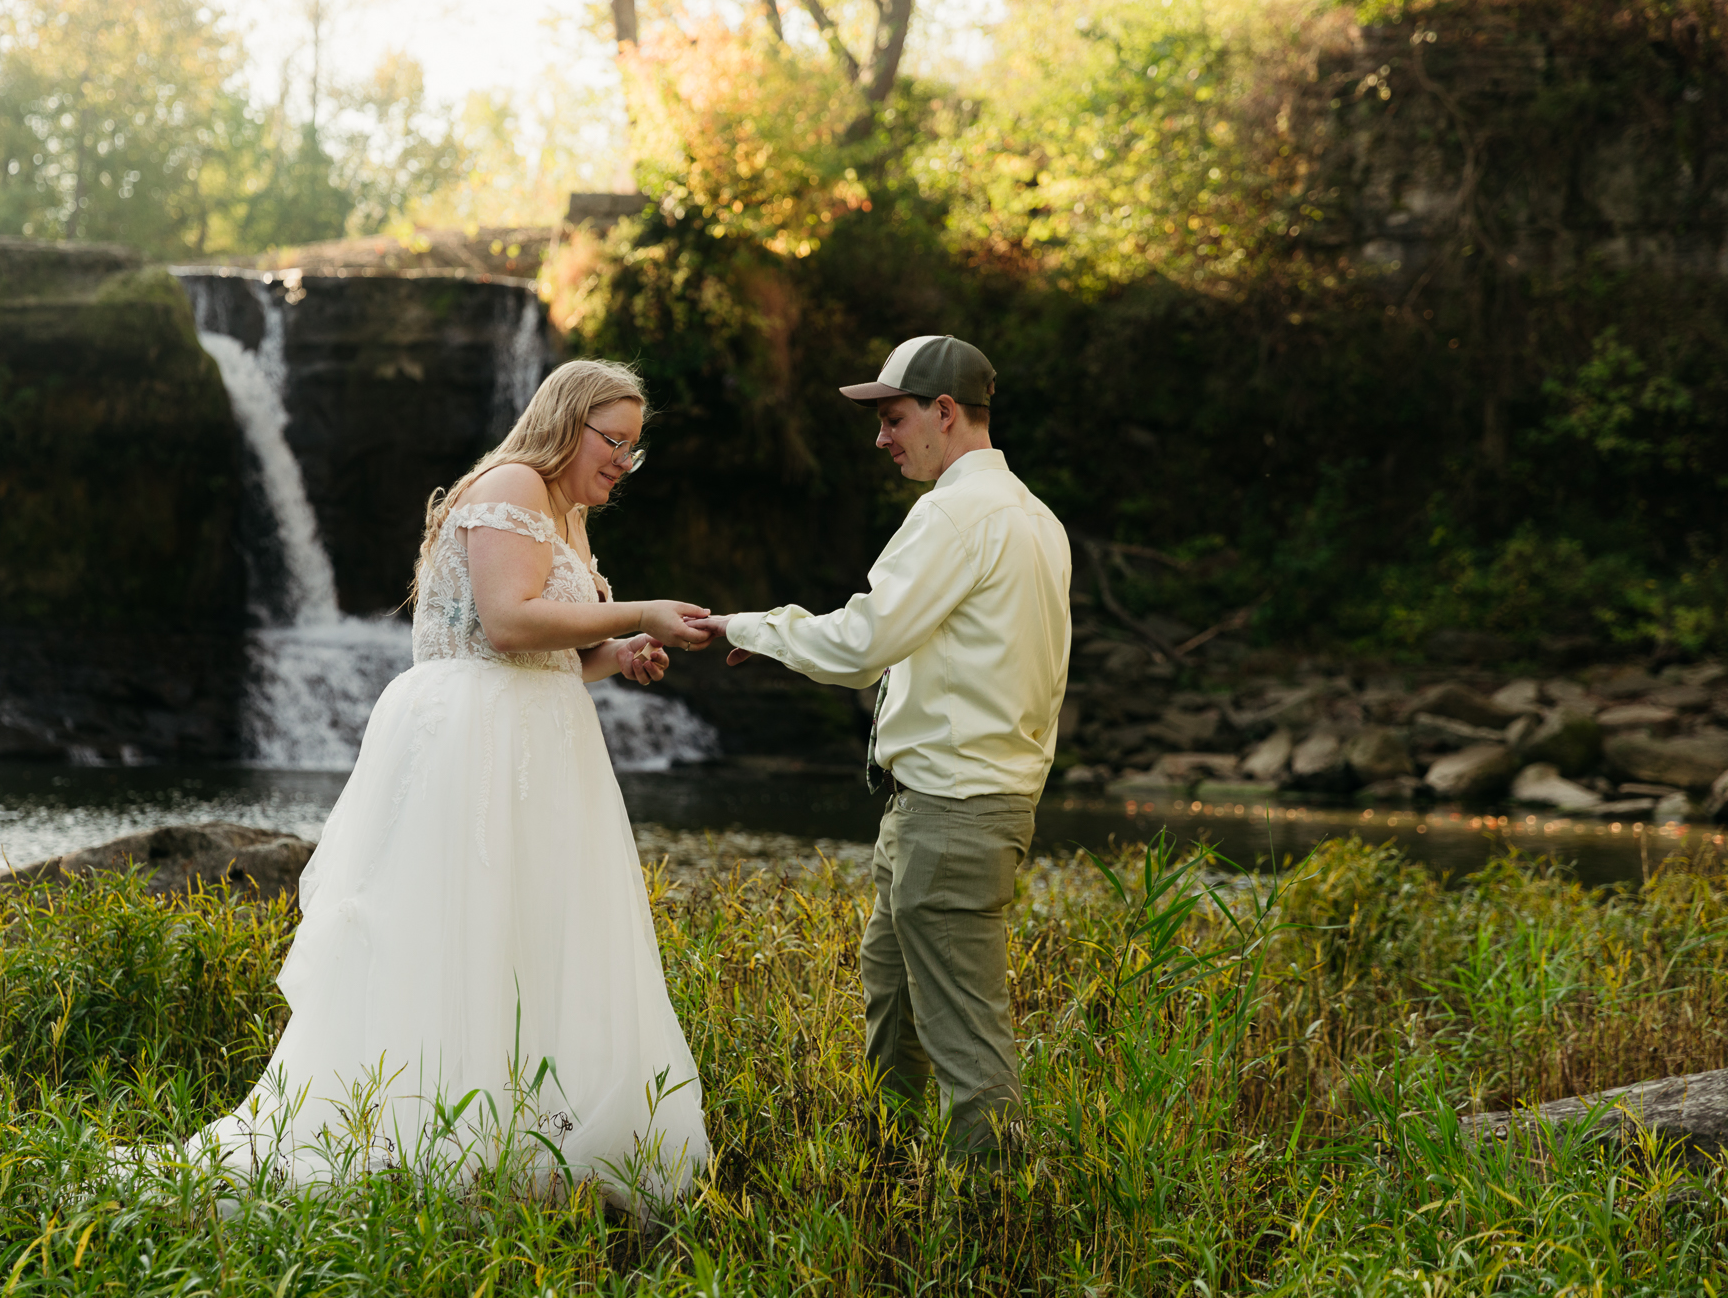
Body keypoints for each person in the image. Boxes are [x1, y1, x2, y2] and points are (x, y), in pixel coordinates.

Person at [185, 360, 713, 1201]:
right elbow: (504, 625)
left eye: (633, 451)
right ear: (567, 423)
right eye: (614, 442)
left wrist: (612, 656)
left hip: (536, 742)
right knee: (456, 929)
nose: (623, 461)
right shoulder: (514, 483)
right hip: (471, 742)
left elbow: (541, 657)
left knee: (527, 937)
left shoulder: (568, 514)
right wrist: (638, 611)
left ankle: (528, 1137)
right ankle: (424, 1142)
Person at [688, 335, 1072, 1161]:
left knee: (967, 1044)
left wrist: (748, 626)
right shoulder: (1035, 518)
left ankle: (994, 1231)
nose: (881, 438)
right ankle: (886, 1191)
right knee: (893, 1012)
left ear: (944, 411)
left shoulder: (955, 514)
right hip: (946, 806)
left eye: (893, 417)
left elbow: (863, 643)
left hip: (956, 811)